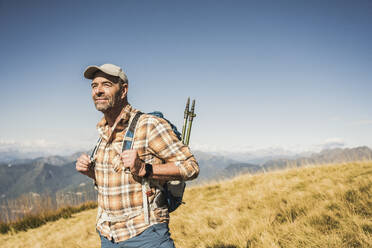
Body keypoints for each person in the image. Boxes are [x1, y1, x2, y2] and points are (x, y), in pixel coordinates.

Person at [75, 63, 199, 248]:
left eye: (106, 84)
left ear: (123, 90)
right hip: (108, 236)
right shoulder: (103, 134)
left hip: (145, 235)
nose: (98, 91)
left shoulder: (149, 125)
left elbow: (191, 167)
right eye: (94, 86)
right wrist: (92, 173)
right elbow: (116, 181)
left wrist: (144, 168)